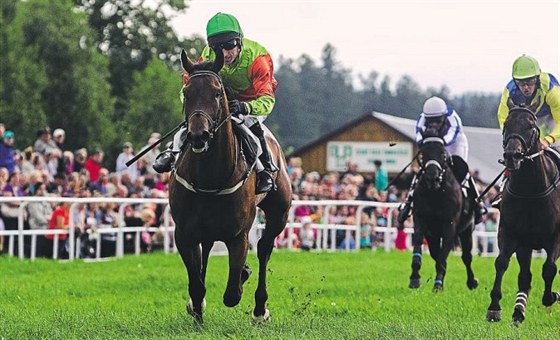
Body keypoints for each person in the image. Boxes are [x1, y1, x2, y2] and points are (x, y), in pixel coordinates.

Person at [153, 12, 278, 194]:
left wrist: (245, 107)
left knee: (250, 122)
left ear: (240, 42)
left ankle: (265, 169)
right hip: (221, 98)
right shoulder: (208, 55)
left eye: (230, 46)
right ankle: (173, 152)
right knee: (197, 120)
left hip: (254, 100)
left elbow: (267, 100)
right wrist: (194, 106)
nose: (225, 53)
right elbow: (189, 84)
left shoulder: (259, 60)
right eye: (218, 48)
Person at [397, 96, 487, 227]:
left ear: (444, 117)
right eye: (431, 121)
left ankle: (478, 203)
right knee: (424, 169)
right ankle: (408, 202)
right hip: (434, 144)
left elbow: (450, 137)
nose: (433, 124)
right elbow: (418, 137)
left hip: (455, 144)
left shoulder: (453, 118)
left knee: (461, 169)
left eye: (437, 121)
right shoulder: (422, 119)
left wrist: (437, 140)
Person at [492, 54, 560, 207]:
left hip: (552, 118)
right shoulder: (509, 91)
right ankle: (504, 190)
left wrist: (548, 140)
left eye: (530, 82)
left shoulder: (551, 88)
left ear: (537, 78)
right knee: (513, 153)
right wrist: (513, 140)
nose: (526, 87)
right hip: (525, 121)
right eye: (521, 83)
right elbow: (503, 119)